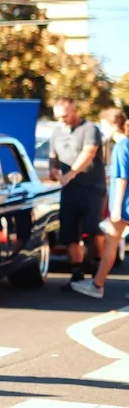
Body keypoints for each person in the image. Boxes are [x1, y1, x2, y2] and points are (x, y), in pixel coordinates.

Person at [50, 98, 107, 283]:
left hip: (92, 188)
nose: (61, 120)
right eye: (58, 117)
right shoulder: (57, 132)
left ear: (74, 111)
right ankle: (76, 274)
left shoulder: (89, 129)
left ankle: (96, 269)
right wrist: (55, 172)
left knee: (93, 230)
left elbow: (89, 152)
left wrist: (71, 173)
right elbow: (54, 159)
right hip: (69, 191)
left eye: (64, 116)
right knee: (69, 232)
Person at [73, 115, 129, 299]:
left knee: (110, 247)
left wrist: (115, 209)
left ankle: (97, 285)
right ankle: (97, 283)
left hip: (125, 206)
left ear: (114, 124)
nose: (101, 129)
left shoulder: (121, 146)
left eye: (104, 125)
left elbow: (121, 178)